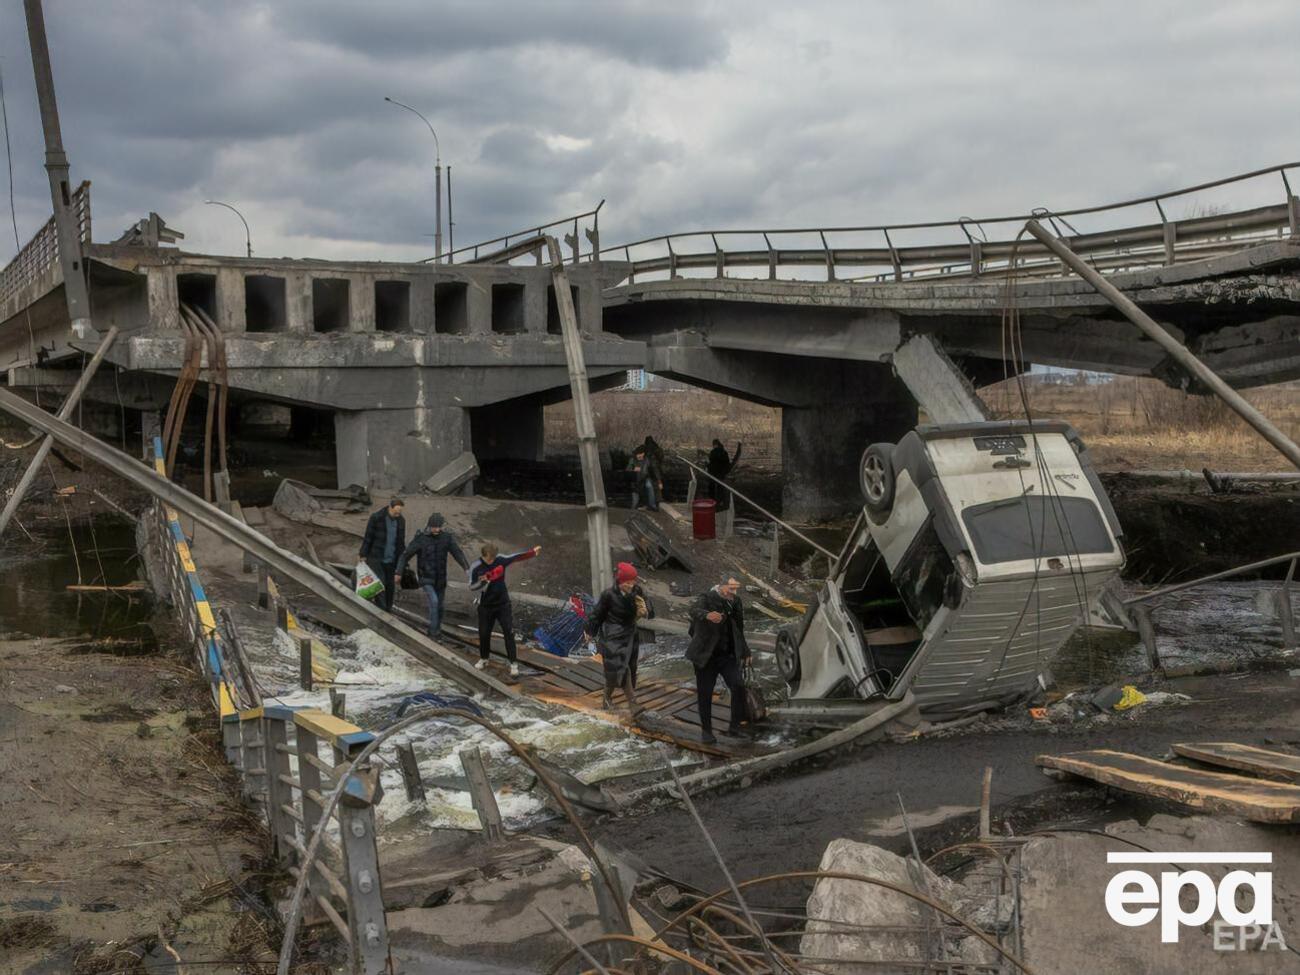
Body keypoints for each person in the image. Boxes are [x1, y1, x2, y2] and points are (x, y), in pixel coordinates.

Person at [686, 576, 751, 745]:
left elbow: (739, 628)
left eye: (736, 589)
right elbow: (693, 610)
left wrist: (745, 651)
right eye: (730, 589)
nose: (733, 592)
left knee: (738, 685)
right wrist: (707, 615)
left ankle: (735, 727)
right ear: (721, 587)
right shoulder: (707, 597)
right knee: (705, 692)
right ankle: (706, 731)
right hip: (706, 655)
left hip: (727, 655)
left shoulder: (736, 602)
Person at [585, 562, 654, 712]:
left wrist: (646, 610)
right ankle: (633, 703)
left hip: (630, 634)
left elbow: (649, 608)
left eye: (632, 582)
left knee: (626, 668)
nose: (631, 585)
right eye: (627, 583)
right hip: (613, 636)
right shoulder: (609, 595)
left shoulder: (637, 591)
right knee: (620, 667)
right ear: (620, 581)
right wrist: (590, 631)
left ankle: (607, 699)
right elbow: (597, 615)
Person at [469, 542, 541, 677]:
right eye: (490, 559)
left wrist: (532, 553)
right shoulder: (476, 567)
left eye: (493, 558)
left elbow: (515, 557)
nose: (492, 561)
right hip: (485, 606)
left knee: (509, 632)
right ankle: (484, 658)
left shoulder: (500, 560)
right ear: (483, 556)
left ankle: (513, 664)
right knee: (484, 633)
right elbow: (472, 587)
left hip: (502, 604)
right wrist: (484, 580)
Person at [396, 512, 470, 637]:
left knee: (440, 607)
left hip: (441, 579)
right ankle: (433, 633)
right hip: (426, 578)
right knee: (434, 602)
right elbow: (405, 555)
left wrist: (467, 569)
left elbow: (458, 553)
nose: (436, 529)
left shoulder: (447, 538)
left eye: (438, 527)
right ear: (429, 526)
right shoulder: (421, 539)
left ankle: (437, 629)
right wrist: (399, 572)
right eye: (434, 527)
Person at [359, 498, 405, 612]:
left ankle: (387, 610)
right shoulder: (376, 518)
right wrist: (363, 554)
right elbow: (368, 537)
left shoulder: (401, 521)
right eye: (395, 512)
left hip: (391, 559)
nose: (397, 515)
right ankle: (381, 611)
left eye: (399, 513)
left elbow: (401, 542)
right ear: (390, 508)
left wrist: (403, 562)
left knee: (390, 586)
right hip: (376, 557)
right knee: (380, 585)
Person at [706, 439, 743, 508]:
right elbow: (727, 462)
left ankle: (712, 501)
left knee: (712, 487)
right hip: (722, 473)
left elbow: (711, 462)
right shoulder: (724, 452)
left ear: (715, 444)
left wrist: (708, 467)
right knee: (720, 487)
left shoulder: (713, 452)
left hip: (713, 473)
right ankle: (720, 502)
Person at [630, 446, 662, 511]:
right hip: (635, 480)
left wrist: (659, 481)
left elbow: (655, 471)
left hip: (645, 479)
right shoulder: (633, 460)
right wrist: (633, 469)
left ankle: (652, 505)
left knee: (648, 485)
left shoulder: (648, 460)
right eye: (637, 455)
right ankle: (642, 505)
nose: (638, 457)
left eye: (640, 455)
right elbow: (628, 469)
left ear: (643, 454)